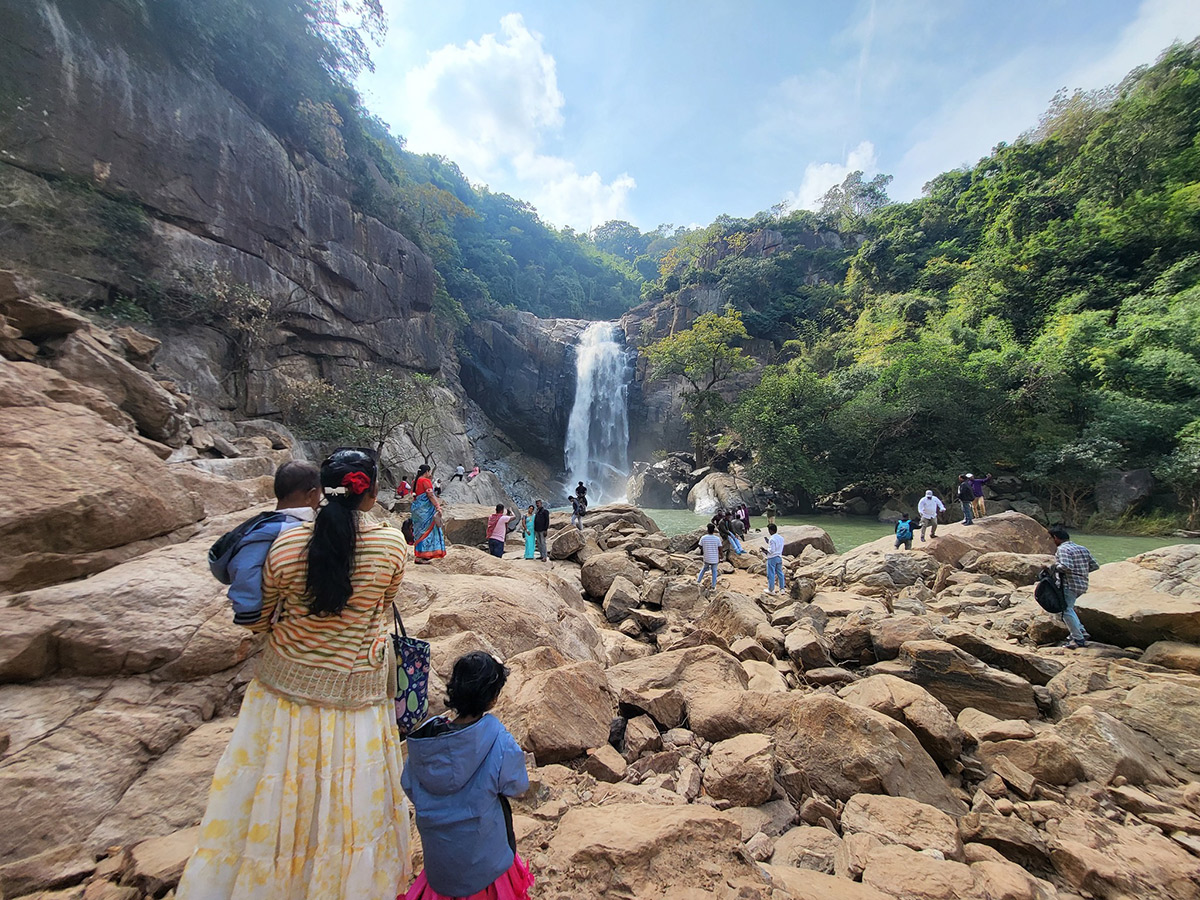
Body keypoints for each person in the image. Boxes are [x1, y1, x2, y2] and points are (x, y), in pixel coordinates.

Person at [177, 448, 411, 900]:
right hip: (355, 696)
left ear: (321, 492)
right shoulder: (390, 546)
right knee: (348, 803)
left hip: (283, 694)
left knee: (274, 792)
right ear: (373, 492)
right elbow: (381, 609)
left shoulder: (284, 544)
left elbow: (261, 617)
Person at [401, 652, 533, 900]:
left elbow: (408, 784)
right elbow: (517, 786)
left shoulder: (424, 741)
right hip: (486, 865)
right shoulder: (497, 738)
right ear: (492, 699)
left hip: (440, 868)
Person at [225, 460, 321, 627]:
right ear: (311, 495)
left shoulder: (268, 522)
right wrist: (249, 612)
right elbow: (246, 567)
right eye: (319, 495)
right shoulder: (284, 529)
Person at [1049, 525, 1099, 649]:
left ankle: (1078, 639)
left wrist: (1053, 567)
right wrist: (1081, 572)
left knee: (1065, 610)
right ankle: (1081, 631)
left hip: (1069, 584)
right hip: (1082, 584)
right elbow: (1094, 566)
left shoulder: (1063, 549)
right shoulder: (1082, 548)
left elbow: (1066, 566)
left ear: (1056, 538)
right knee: (1070, 608)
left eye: (1051, 538)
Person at [412, 463, 447, 561]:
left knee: (419, 531)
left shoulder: (415, 481)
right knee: (427, 530)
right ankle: (424, 554)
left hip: (417, 509)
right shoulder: (425, 481)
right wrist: (437, 506)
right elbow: (430, 495)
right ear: (427, 472)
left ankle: (418, 554)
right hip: (426, 510)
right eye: (429, 471)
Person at [696, 523, 723, 591]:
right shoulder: (717, 539)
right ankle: (713, 586)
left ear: (707, 530)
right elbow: (720, 549)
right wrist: (721, 556)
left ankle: (698, 581)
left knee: (704, 569)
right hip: (714, 558)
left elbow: (700, 546)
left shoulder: (703, 537)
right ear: (713, 530)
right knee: (714, 571)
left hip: (707, 557)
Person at [763, 523, 785, 595]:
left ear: (771, 530)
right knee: (780, 573)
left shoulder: (772, 539)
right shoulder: (781, 538)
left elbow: (772, 550)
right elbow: (777, 546)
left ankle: (771, 589)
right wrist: (768, 542)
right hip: (779, 557)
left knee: (771, 574)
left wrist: (764, 550)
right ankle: (782, 589)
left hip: (772, 558)